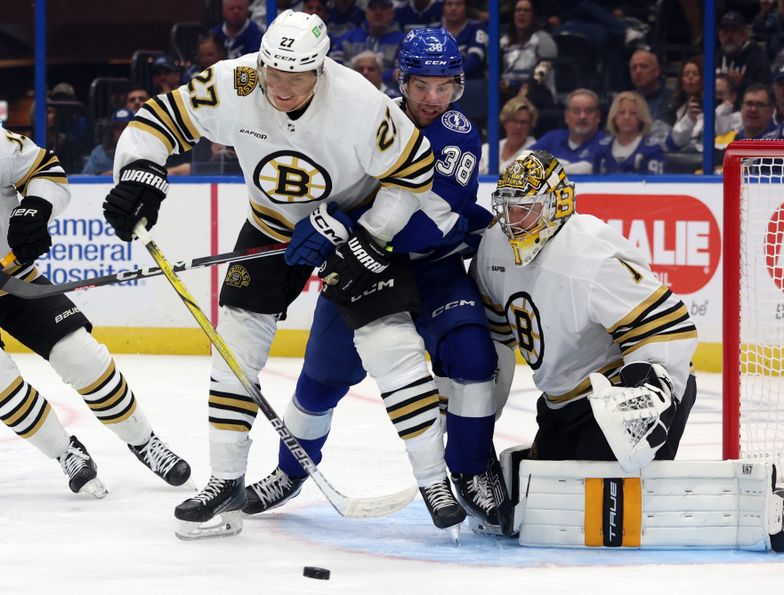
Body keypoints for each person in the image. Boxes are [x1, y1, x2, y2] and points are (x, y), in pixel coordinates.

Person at [102, 11, 458, 539]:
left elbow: (415, 174)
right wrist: (138, 171)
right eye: (274, 74)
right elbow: (157, 120)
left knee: (392, 346)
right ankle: (225, 478)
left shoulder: (360, 103)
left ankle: (434, 481)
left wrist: (363, 232)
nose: (282, 88)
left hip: (352, 226)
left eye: (296, 79)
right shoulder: (238, 80)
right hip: (271, 225)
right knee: (236, 346)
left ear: (321, 70)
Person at [242, 27, 504, 535]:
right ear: (402, 80)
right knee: (320, 381)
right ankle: (290, 471)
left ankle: (471, 469)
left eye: (444, 86)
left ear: (457, 87)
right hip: (360, 273)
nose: (433, 99)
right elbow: (330, 188)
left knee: (473, 355)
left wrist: (348, 229)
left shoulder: (457, 132)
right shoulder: (364, 118)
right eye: (422, 85)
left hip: (431, 267)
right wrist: (320, 221)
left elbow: (431, 217)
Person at [470, 148, 697, 476]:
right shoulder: (494, 246)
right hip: (560, 400)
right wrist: (478, 411)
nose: (514, 223)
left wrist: (651, 399)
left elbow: (668, 328)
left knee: (594, 510)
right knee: (542, 507)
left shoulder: (590, 255)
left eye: (526, 210)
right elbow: (495, 335)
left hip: (617, 396)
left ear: (557, 205)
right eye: (508, 209)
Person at [0, 127, 191, 497]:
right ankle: (65, 452)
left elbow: (46, 171)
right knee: (3, 389)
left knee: (80, 355)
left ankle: (144, 441)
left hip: (13, 275)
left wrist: (35, 209)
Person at [530, 88, 607, 174]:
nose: (582, 116)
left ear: (598, 117)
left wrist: (551, 166)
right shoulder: (552, 138)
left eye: (589, 111)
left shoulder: (606, 144)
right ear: (566, 116)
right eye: (576, 111)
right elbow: (523, 163)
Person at [332, 0, 406, 87]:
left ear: (392, 12)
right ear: (366, 11)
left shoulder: (403, 40)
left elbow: (401, 72)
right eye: (373, 7)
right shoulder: (349, 37)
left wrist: (376, 77)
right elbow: (333, 65)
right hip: (350, 87)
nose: (378, 12)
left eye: (383, 7)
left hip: (387, 92)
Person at [594, 91, 664, 175]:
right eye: (621, 112)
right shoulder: (602, 147)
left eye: (633, 113)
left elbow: (654, 185)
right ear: (614, 117)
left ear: (641, 118)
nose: (626, 117)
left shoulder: (652, 149)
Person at [500, 0, 557, 102]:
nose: (522, 14)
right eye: (518, 10)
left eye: (526, 11)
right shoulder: (503, 41)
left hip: (536, 89)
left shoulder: (544, 39)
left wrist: (527, 87)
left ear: (533, 16)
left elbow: (544, 66)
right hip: (508, 89)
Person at [716, 10, 772, 97]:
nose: (729, 35)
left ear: (744, 34)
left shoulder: (758, 61)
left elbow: (767, 92)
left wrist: (742, 83)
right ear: (719, 35)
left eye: (734, 30)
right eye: (725, 31)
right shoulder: (714, 59)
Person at [479, 96, 537, 175]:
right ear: (505, 123)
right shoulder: (487, 149)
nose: (518, 126)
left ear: (530, 125)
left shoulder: (536, 153)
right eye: (514, 121)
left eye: (523, 122)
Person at [628, 49, 674, 129]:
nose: (638, 71)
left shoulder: (673, 99)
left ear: (657, 71)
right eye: (634, 68)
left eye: (643, 66)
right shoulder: (626, 101)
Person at [441, 0, 487, 79]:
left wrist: (453, 77)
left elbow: (475, 58)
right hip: (437, 82)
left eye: (458, 4)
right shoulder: (433, 30)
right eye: (449, 4)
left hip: (469, 82)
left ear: (466, 7)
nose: (453, 8)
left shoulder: (477, 27)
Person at [81, 108, 134, 175]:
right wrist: (103, 175)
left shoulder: (143, 150)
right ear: (112, 131)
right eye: (117, 127)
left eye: (126, 126)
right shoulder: (99, 153)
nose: (122, 131)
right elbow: (85, 178)